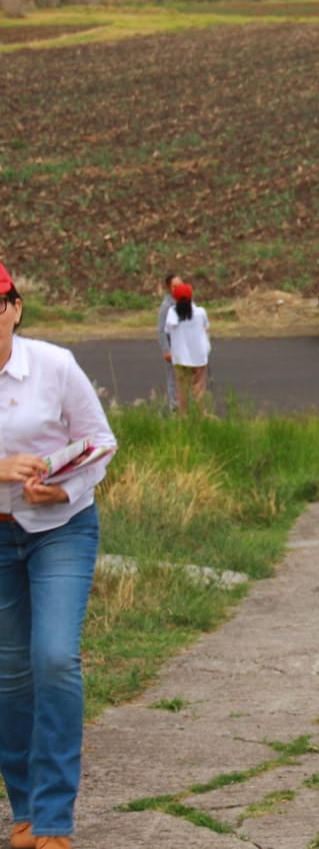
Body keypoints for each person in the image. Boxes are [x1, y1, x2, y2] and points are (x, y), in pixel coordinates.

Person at [0, 262, 117, 849]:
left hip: (61, 527)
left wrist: (63, 484)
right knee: (10, 674)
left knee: (53, 658)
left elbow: (101, 440)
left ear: (16, 308)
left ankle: (53, 819)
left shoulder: (53, 364)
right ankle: (23, 810)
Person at [163, 282, 211, 413]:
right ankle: (201, 416)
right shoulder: (200, 312)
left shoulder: (171, 314)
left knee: (182, 391)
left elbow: (167, 331)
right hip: (198, 357)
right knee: (199, 389)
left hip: (180, 358)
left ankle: (183, 417)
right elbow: (206, 327)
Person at [155, 273, 181, 411]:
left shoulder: (185, 302)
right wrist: (166, 350)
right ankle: (174, 407)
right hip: (173, 347)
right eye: (175, 286)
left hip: (184, 347)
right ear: (169, 288)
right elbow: (161, 330)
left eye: (180, 285)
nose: (178, 288)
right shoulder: (166, 306)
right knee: (173, 377)